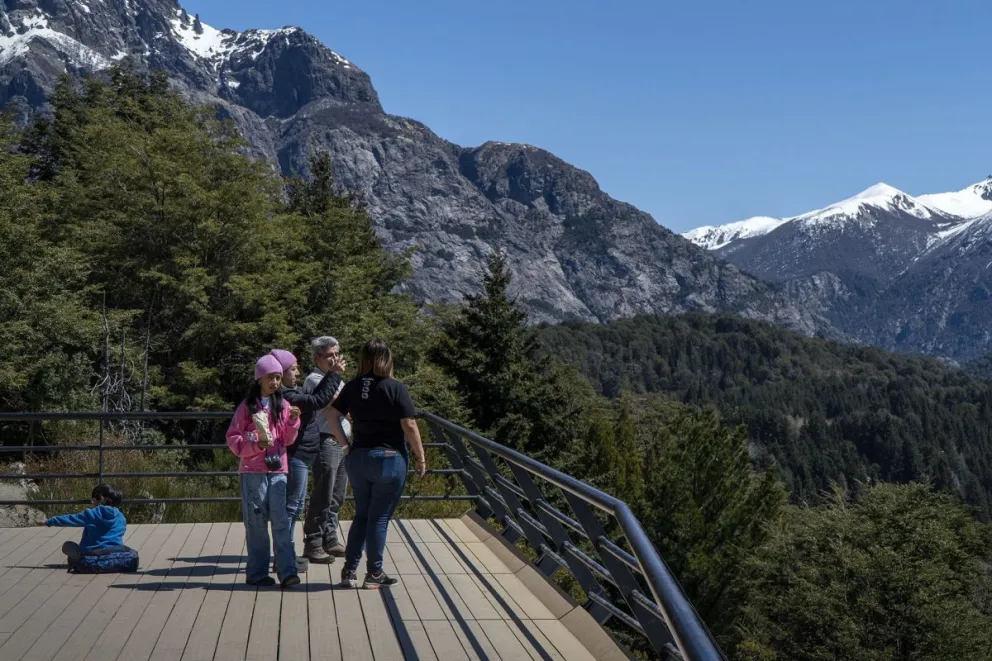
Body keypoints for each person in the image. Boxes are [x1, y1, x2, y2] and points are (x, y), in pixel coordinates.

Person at [326, 338, 427, 589]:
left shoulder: (352, 386)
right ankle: (374, 573)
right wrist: (420, 457)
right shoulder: (395, 387)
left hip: (358, 457)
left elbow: (331, 414)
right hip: (389, 460)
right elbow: (410, 424)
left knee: (361, 515)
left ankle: (349, 571)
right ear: (387, 359)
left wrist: (345, 445)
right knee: (379, 518)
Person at [226, 355, 302, 588]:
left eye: (279, 377)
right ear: (260, 378)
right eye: (271, 377)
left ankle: (287, 571)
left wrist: (292, 422)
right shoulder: (246, 407)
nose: (276, 382)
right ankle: (258, 573)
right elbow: (233, 438)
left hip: (278, 468)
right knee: (256, 523)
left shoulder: (284, 405)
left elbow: (288, 440)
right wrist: (255, 445)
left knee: (281, 521)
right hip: (253, 471)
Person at [268, 346, 344, 568]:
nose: (297, 373)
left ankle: (287, 554)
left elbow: (315, 398)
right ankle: (284, 557)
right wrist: (334, 374)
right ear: (281, 373)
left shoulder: (292, 392)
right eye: (293, 369)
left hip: (302, 455)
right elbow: (318, 401)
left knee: (296, 505)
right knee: (292, 508)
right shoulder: (287, 395)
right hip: (296, 456)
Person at [300, 336, 350, 564]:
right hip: (325, 440)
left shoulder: (335, 379)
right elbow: (335, 404)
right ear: (317, 357)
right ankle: (313, 543)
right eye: (330, 354)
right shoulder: (314, 379)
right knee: (323, 493)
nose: (336, 358)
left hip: (341, 440)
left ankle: (330, 538)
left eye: (337, 353)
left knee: (337, 494)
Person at [44, 483, 127, 568]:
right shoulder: (122, 518)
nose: (92, 502)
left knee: (68, 546)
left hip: (91, 555)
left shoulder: (92, 514)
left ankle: (81, 559)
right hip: (115, 555)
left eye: (93, 499)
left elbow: (71, 519)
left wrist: (50, 521)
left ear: (100, 498)